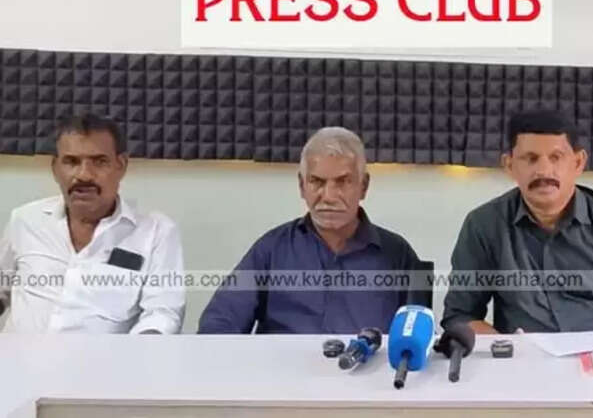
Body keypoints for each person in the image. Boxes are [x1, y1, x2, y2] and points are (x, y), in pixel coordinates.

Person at [442, 109, 593, 334]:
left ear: (578, 163)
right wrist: (506, 348)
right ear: (510, 165)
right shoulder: (484, 225)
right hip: (523, 365)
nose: (544, 170)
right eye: (530, 159)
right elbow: (460, 316)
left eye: (556, 158)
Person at [198, 127, 424, 334]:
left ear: (363, 186)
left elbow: (418, 333)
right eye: (317, 182)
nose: (329, 196)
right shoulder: (272, 249)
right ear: (301, 185)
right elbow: (219, 322)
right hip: (283, 375)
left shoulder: (397, 254)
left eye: (343, 182)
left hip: (369, 374)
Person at [0, 115, 185, 333]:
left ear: (121, 165)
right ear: (55, 168)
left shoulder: (156, 232)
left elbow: (162, 313)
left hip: (105, 365)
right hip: (18, 363)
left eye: (99, 161)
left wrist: (138, 359)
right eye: (71, 162)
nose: (84, 175)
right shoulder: (25, 220)